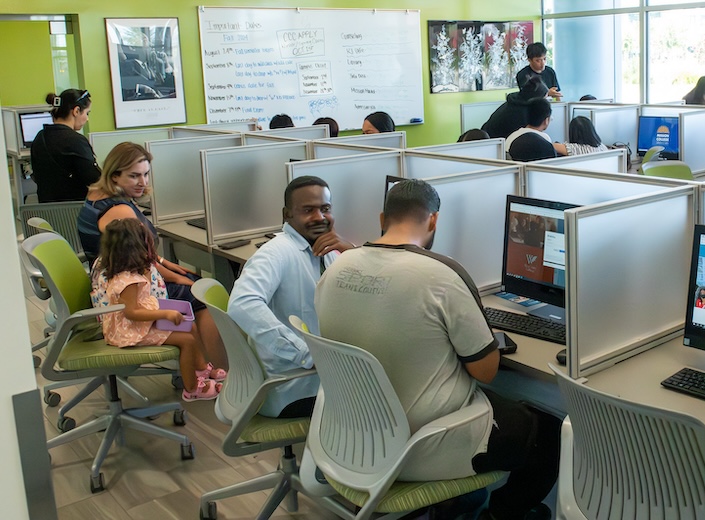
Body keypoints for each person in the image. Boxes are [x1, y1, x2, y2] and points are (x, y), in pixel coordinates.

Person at [315, 179, 560, 520]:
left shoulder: (337, 267)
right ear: (433, 221)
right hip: (417, 446)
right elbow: (485, 372)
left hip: (353, 438)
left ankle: (459, 504)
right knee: (546, 431)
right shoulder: (441, 275)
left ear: (382, 217)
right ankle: (500, 514)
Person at [77, 142, 227, 370]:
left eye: (146, 174)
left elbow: (143, 254)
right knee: (201, 294)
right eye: (134, 176)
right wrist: (176, 277)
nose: (143, 182)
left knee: (191, 279)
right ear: (115, 176)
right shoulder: (120, 211)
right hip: (126, 288)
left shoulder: (97, 196)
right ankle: (217, 368)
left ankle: (202, 362)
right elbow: (140, 258)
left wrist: (166, 263)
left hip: (113, 278)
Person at [228, 176, 354, 418]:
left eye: (325, 209)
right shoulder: (277, 252)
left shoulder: (326, 251)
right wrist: (305, 354)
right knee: (390, 400)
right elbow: (242, 303)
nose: (319, 217)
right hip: (294, 385)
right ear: (287, 214)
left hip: (316, 376)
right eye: (308, 210)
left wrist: (352, 252)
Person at [95, 219, 225, 401]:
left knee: (190, 328)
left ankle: (202, 368)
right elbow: (131, 313)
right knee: (186, 341)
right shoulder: (128, 281)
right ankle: (193, 389)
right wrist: (165, 313)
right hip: (129, 331)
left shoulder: (129, 271)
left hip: (137, 323)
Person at [30, 89, 102, 203]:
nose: (87, 119)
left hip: (47, 211)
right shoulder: (76, 141)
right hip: (74, 210)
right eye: (87, 113)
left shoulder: (40, 137)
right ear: (76, 111)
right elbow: (96, 180)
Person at [481, 76, 549, 139]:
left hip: (488, 140)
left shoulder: (515, 103)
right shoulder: (521, 113)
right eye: (544, 99)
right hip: (492, 144)